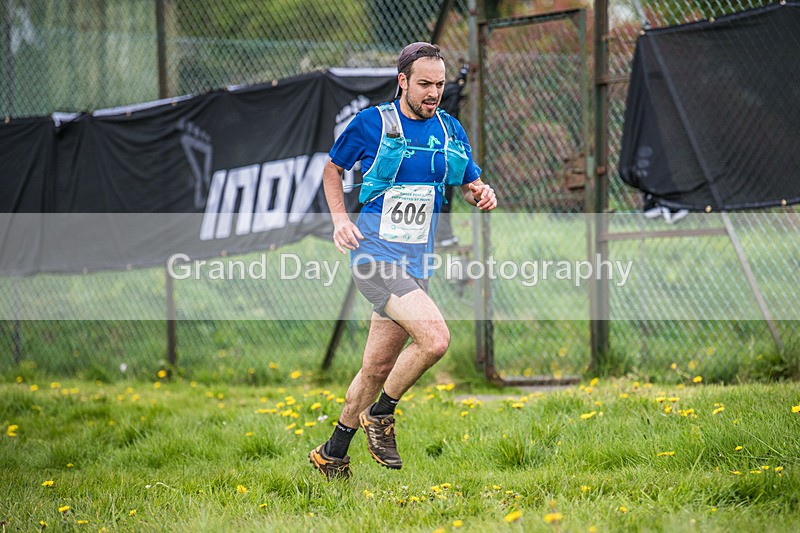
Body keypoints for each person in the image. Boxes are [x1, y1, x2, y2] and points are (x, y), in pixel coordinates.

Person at [309, 42, 498, 480]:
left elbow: (470, 181)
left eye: (440, 84)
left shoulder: (450, 130)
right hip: (374, 257)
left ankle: (332, 453)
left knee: (375, 367)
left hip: (416, 266)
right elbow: (332, 169)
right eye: (425, 84)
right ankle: (381, 415)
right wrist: (340, 221)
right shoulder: (372, 123)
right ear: (403, 82)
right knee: (435, 340)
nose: (434, 92)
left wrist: (481, 192)